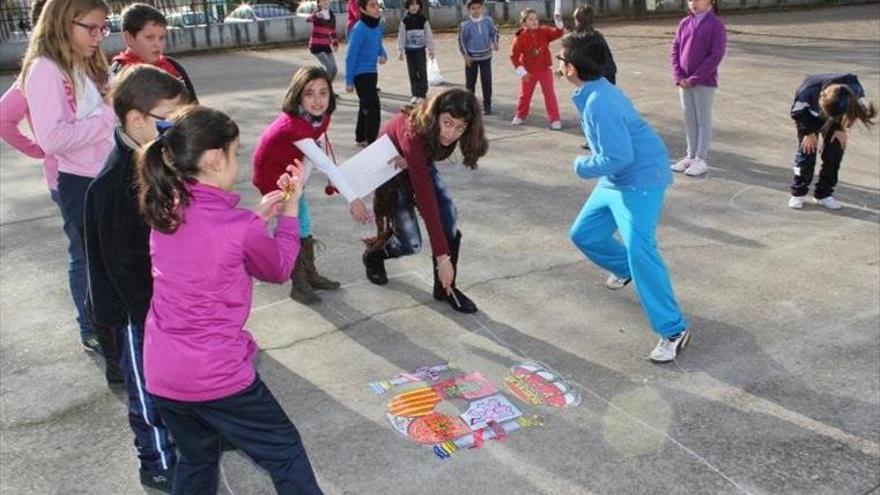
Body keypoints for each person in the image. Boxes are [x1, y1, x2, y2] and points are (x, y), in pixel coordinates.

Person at [137, 105, 323, 495]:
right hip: (216, 374)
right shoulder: (238, 228)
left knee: (198, 456)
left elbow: (210, 243)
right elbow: (278, 268)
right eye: (236, 152)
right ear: (214, 158)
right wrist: (289, 214)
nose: (237, 160)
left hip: (162, 370)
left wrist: (256, 216)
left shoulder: (166, 207)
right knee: (285, 451)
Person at [84, 65, 189, 493]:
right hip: (135, 313)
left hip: (165, 301)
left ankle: (196, 437)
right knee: (146, 390)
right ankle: (158, 461)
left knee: (182, 378)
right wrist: (154, 318)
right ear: (135, 121)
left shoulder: (156, 157)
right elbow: (122, 267)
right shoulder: (114, 186)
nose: (175, 132)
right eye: (167, 121)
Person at [559, 33, 691, 362]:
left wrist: (581, 166)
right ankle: (625, 268)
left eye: (560, 60)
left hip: (641, 180)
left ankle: (674, 329)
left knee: (640, 251)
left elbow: (619, 156)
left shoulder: (599, 102)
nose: (558, 65)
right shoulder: (595, 91)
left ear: (572, 68)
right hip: (617, 179)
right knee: (584, 234)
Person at [22, 0, 116, 353]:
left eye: (102, 28)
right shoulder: (46, 69)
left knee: (110, 266)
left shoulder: (81, 63)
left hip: (102, 175)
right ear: (63, 22)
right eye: (90, 28)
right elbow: (53, 138)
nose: (98, 37)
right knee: (94, 267)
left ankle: (115, 338)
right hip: (81, 182)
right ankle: (103, 340)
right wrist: (108, 114)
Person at [253, 66, 372, 304]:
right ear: (297, 96)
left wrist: (302, 181)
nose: (318, 100)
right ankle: (299, 283)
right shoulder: (293, 125)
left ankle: (309, 274)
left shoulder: (319, 117)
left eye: (323, 92)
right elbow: (326, 164)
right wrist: (354, 199)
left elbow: (314, 151)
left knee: (303, 222)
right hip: (274, 176)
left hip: (294, 172)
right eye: (309, 93)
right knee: (294, 223)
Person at [362, 89, 487, 313]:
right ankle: (374, 255)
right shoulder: (414, 133)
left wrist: (412, 162)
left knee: (448, 212)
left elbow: (424, 164)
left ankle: (446, 287)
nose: (451, 133)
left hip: (415, 162)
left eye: (460, 127)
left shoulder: (443, 134)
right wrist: (442, 258)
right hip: (391, 172)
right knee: (411, 243)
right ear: (435, 115)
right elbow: (426, 199)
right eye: (447, 123)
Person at [788, 73, 876, 210]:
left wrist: (841, 128)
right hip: (808, 117)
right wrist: (808, 132)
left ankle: (823, 194)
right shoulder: (808, 89)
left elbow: (853, 112)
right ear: (821, 95)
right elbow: (797, 112)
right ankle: (798, 193)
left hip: (835, 120)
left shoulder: (855, 90)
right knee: (807, 152)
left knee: (835, 152)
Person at [0, 0, 53, 196]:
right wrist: (38, 150)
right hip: (65, 178)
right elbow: (3, 117)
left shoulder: (81, 64)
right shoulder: (39, 71)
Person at [669, 0, 726, 177]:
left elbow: (716, 55)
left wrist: (695, 78)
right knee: (690, 119)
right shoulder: (685, 22)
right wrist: (678, 75)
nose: (692, 3)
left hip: (703, 82)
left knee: (703, 120)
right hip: (684, 82)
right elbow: (675, 49)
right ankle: (690, 155)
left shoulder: (716, 25)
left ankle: (700, 159)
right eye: (690, 0)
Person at [110, 3, 197, 100]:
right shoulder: (120, 74)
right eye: (149, 37)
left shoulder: (173, 67)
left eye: (161, 38)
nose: (157, 44)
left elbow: (193, 105)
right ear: (129, 38)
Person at [510, 8, 564, 129]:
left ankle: (555, 119)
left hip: (545, 70)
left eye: (536, 19)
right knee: (525, 95)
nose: (534, 21)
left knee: (549, 95)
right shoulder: (520, 36)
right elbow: (514, 56)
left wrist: (558, 22)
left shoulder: (544, 31)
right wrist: (522, 72)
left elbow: (558, 33)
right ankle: (520, 115)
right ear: (524, 22)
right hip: (528, 72)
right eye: (530, 19)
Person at [345, 0, 387, 146]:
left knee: (365, 105)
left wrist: (383, 54)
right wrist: (349, 81)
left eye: (377, 5)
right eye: (372, 5)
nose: (376, 8)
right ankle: (372, 139)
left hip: (372, 72)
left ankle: (360, 136)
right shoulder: (358, 29)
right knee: (373, 106)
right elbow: (350, 56)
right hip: (360, 74)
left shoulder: (376, 26)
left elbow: (379, 43)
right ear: (362, 9)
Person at [458, 0, 498, 115]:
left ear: (483, 8)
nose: (476, 10)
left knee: (486, 82)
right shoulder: (465, 25)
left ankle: (487, 106)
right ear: (469, 10)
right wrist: (465, 55)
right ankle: (469, 106)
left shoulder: (488, 21)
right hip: (471, 58)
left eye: (478, 8)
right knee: (470, 83)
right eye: (473, 8)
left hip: (486, 57)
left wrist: (494, 42)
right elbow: (462, 41)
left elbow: (494, 32)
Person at [397, 0, 435, 104]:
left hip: (420, 50)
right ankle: (415, 94)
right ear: (408, 6)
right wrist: (400, 50)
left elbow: (429, 35)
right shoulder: (405, 21)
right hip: (409, 51)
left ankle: (422, 94)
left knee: (422, 72)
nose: (414, 7)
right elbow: (401, 36)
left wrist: (431, 50)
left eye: (416, 4)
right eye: (411, 4)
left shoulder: (423, 20)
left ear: (419, 6)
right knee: (412, 73)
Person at [306, 0, 339, 90]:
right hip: (316, 45)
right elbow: (308, 19)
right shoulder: (318, 14)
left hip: (326, 45)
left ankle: (327, 88)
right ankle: (324, 89)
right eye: (323, 1)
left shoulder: (332, 16)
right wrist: (315, 15)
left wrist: (335, 43)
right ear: (319, 3)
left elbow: (332, 31)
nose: (326, 2)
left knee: (334, 69)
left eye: (327, 1)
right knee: (329, 67)